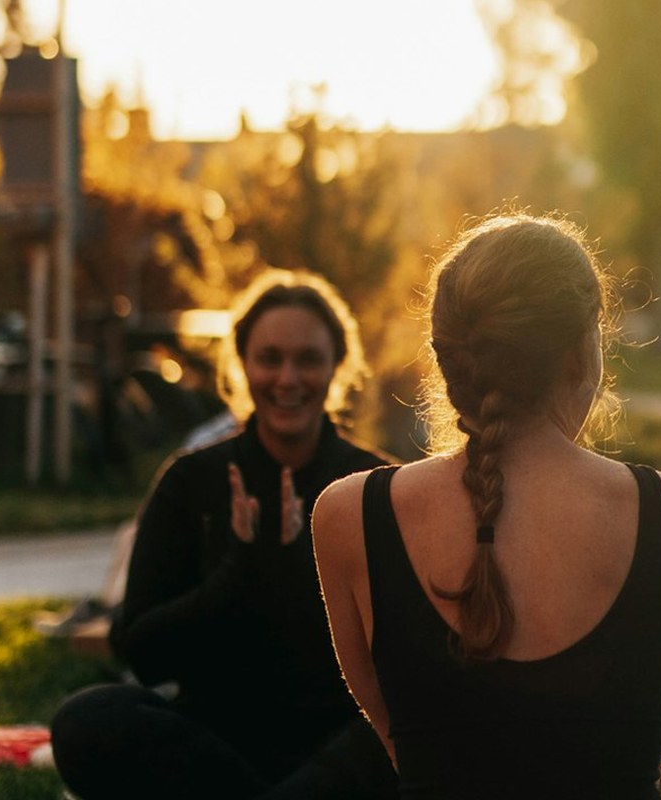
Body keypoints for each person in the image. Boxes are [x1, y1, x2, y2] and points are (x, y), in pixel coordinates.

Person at [312, 213, 661, 799]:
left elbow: (409, 747)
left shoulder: (349, 516)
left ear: (447, 359)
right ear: (582, 355)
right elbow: (641, 760)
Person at [50, 270, 399, 800]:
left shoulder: (376, 486)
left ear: (336, 367)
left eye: (307, 359)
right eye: (270, 358)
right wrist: (237, 573)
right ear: (242, 365)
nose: (288, 378)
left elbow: (403, 664)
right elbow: (141, 652)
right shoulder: (191, 481)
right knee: (85, 719)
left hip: (333, 744)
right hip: (214, 744)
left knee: (403, 736)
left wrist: (295, 569)